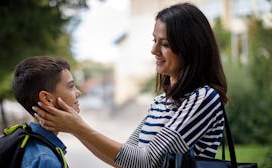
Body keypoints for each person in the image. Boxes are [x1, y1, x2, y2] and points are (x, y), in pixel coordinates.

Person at [33, 3, 228, 168]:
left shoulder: (204, 98)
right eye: (154, 41)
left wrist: (78, 128)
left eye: (165, 44)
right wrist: (75, 128)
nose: (154, 50)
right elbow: (125, 160)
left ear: (190, 48)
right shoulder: (161, 102)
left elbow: (149, 161)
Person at [12, 56, 81, 167]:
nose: (78, 92)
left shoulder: (25, 142)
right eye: (71, 86)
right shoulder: (45, 160)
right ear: (47, 99)